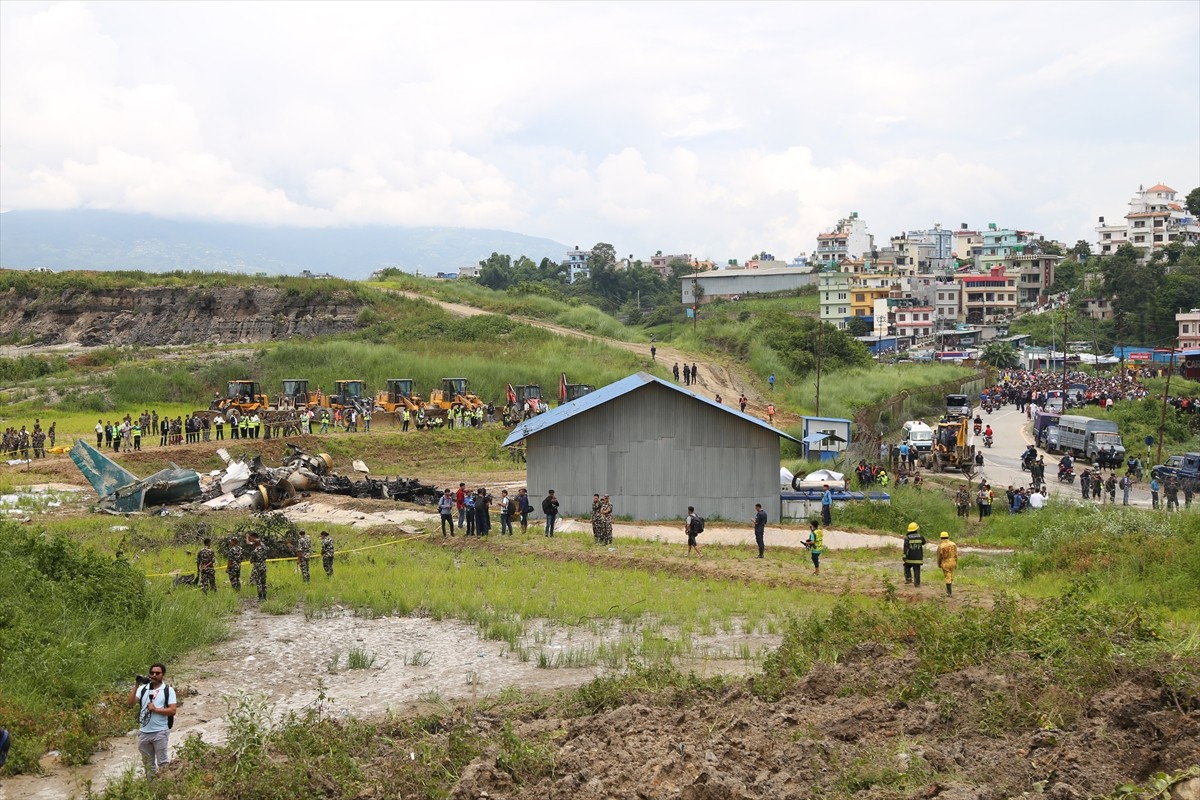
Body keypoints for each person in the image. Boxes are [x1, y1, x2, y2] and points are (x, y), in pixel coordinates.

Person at [127, 663, 176, 777]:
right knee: (148, 765)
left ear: (163, 675)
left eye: (157, 673)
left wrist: (155, 709)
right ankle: (151, 786)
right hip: (144, 732)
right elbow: (130, 703)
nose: (154, 675)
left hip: (160, 732)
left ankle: (166, 785)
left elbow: (172, 710)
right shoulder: (143, 689)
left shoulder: (168, 690)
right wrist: (136, 685)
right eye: (152, 673)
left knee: (163, 763)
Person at [902, 522, 926, 586]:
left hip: (909, 558)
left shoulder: (907, 537)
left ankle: (908, 579)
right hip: (918, 558)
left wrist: (904, 556)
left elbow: (905, 547)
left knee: (906, 567)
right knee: (917, 570)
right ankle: (917, 583)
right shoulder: (920, 536)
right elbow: (924, 542)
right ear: (916, 529)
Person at [937, 531, 958, 596]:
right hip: (953, 561)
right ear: (948, 537)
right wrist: (956, 562)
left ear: (941, 538)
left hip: (945, 562)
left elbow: (939, 556)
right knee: (951, 575)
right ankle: (949, 590)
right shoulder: (953, 544)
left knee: (947, 576)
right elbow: (956, 554)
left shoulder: (941, 546)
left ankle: (949, 592)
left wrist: (939, 564)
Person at [248, 533, 267, 601]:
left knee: (259, 582)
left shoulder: (254, 551)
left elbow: (251, 561)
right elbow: (265, 556)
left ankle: (260, 597)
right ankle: (264, 597)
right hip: (263, 566)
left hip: (257, 568)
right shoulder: (264, 549)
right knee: (264, 582)